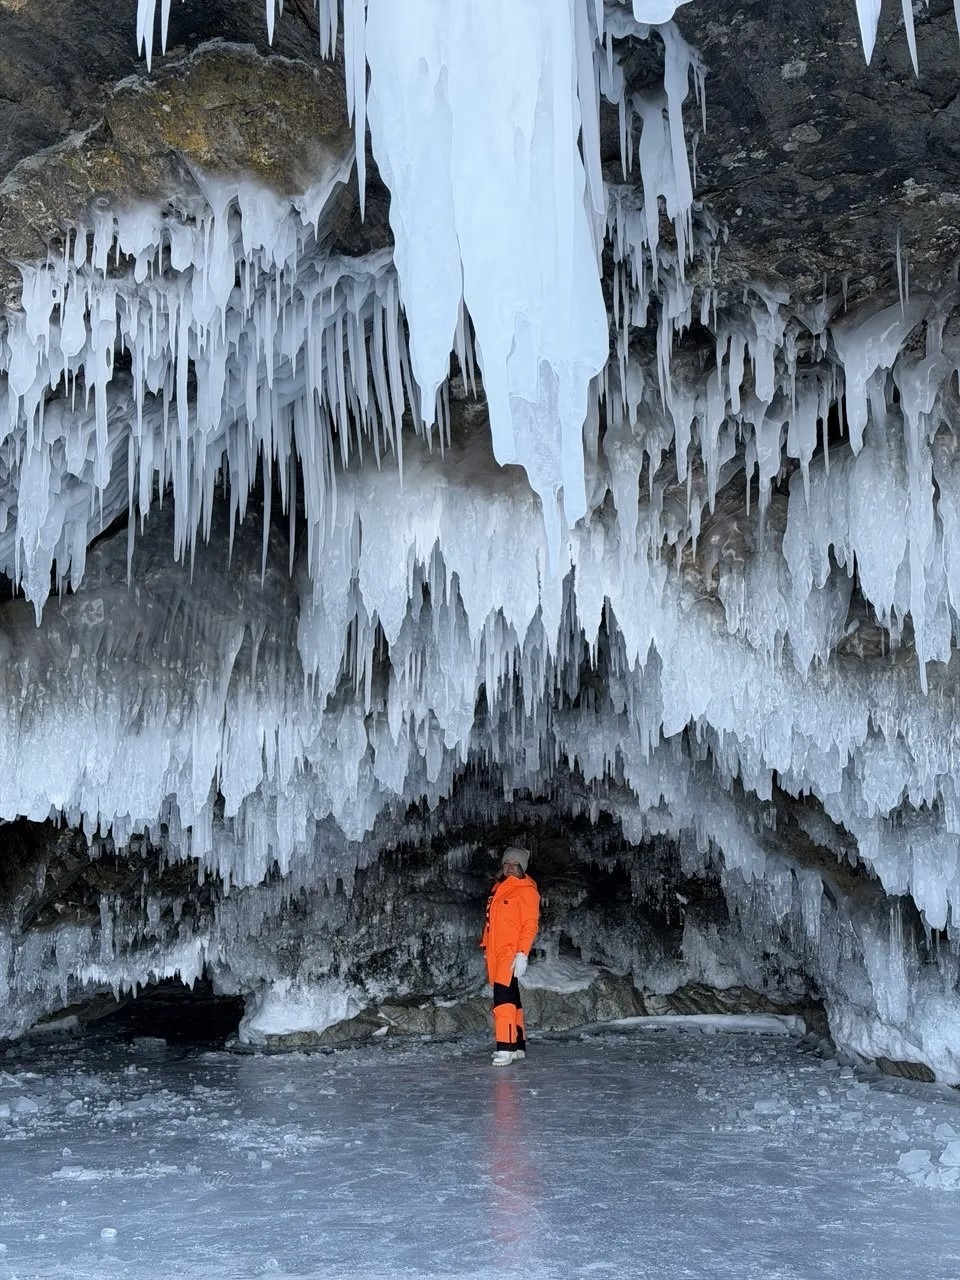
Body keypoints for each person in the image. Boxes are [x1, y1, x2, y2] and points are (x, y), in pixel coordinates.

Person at [480, 846, 540, 1066]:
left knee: (503, 999)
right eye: (506, 864)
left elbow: (530, 925)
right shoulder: (498, 888)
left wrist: (523, 953)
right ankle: (517, 1046)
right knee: (512, 997)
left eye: (515, 865)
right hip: (495, 952)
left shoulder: (526, 890)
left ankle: (505, 1048)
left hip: (509, 952)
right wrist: (486, 946)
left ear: (522, 867)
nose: (510, 868)